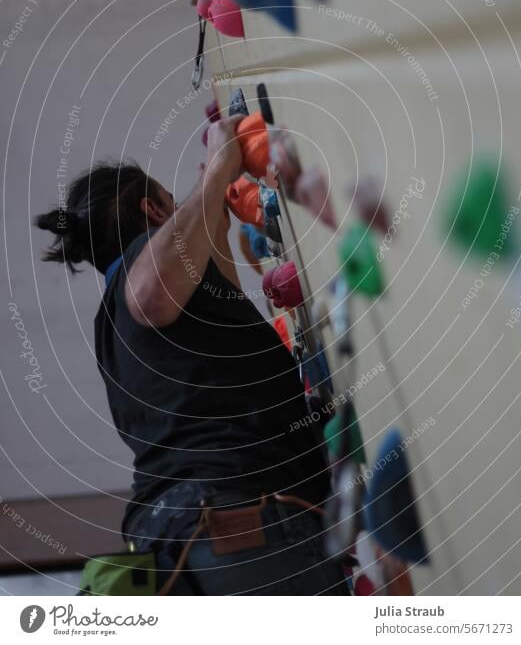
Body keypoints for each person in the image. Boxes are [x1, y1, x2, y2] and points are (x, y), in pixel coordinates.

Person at [35, 115, 348, 595]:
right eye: (172, 204)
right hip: (229, 521)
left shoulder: (115, 329)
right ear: (154, 212)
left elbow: (213, 284)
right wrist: (219, 168)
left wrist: (217, 207)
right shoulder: (139, 282)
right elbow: (153, 292)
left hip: (197, 530)